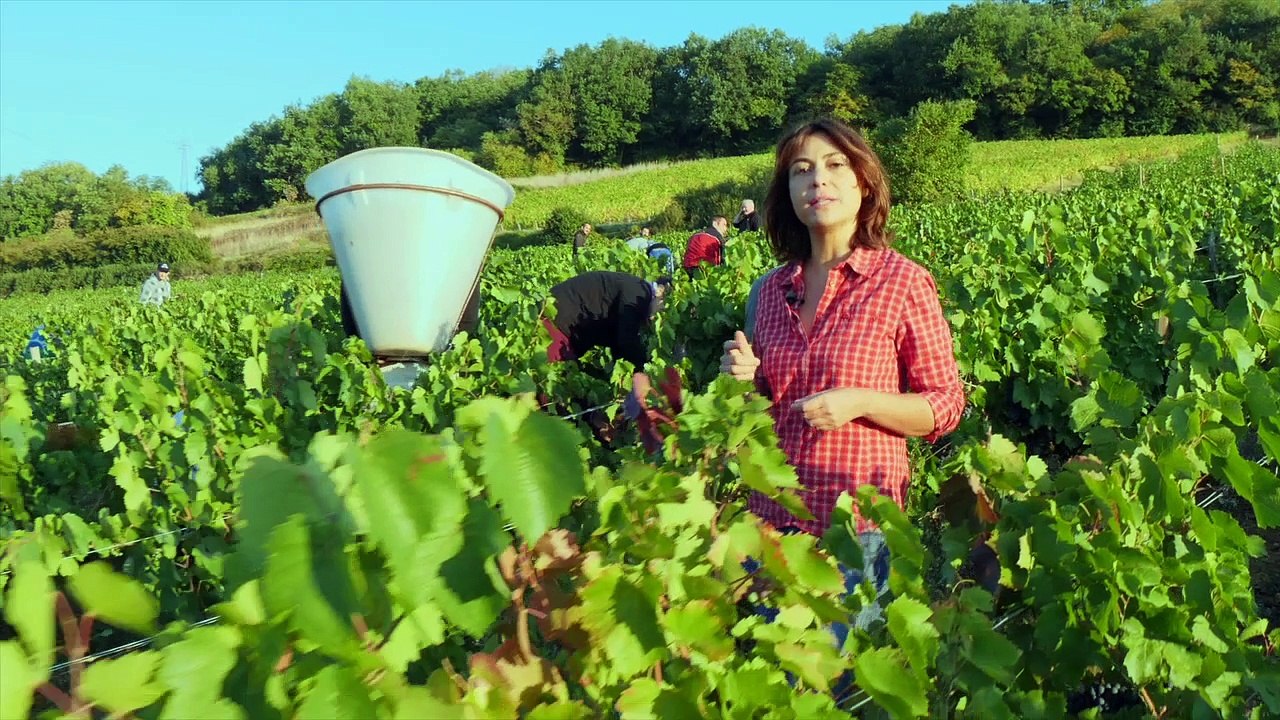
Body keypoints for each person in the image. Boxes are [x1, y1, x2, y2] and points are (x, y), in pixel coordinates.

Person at [721, 118, 964, 636]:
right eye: (801, 171)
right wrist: (741, 378)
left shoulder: (902, 282)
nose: (818, 181)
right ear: (787, 193)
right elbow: (759, 407)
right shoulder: (767, 291)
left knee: (842, 688)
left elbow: (944, 406)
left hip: (855, 530)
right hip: (771, 523)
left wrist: (860, 401)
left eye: (835, 166)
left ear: (863, 182)